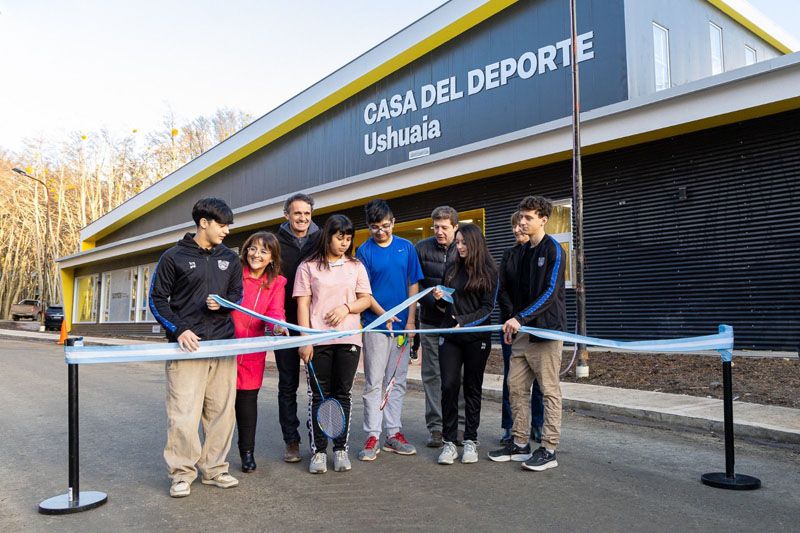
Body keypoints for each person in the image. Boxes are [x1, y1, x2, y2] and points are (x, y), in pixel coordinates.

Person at [149, 197, 244, 498]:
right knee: (183, 414)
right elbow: (157, 300)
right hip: (187, 348)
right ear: (204, 223)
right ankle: (181, 473)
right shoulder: (173, 257)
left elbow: (237, 296)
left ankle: (215, 469)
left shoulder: (231, 258)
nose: (226, 231)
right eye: (222, 224)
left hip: (222, 346)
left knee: (222, 413)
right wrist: (178, 330)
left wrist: (225, 305)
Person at [489, 196, 566, 471]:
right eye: (521, 216)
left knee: (549, 392)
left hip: (545, 332)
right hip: (520, 333)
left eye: (528, 217)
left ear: (543, 219)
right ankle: (520, 443)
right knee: (516, 388)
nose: (522, 222)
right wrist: (512, 320)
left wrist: (519, 318)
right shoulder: (519, 253)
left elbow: (550, 293)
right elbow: (510, 291)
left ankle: (549, 449)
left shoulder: (554, 249)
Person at [294, 214, 372, 474]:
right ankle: (318, 451)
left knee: (343, 395)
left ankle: (340, 449)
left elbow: (365, 300)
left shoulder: (356, 266)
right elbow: (303, 304)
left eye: (348, 238)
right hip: (317, 341)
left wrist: (346, 308)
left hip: (349, 339)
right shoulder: (308, 266)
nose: (344, 243)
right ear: (327, 236)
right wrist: (305, 340)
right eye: (340, 237)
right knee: (318, 395)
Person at [356, 199, 424, 461]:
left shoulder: (407, 248)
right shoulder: (364, 251)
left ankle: (393, 433)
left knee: (397, 380)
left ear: (394, 222)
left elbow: (412, 285)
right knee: (374, 382)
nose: (381, 231)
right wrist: (383, 315)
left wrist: (409, 321)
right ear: (369, 227)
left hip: (402, 328)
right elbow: (364, 290)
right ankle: (372, 434)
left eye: (385, 226)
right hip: (375, 325)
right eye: (375, 227)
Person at [432, 224, 498, 465]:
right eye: (457, 242)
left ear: (475, 244)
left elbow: (488, 309)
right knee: (449, 385)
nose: (459, 247)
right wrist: (439, 300)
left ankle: (470, 440)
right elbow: (445, 305)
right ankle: (449, 442)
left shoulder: (490, 272)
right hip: (449, 337)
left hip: (476, 338)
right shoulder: (450, 268)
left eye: (463, 243)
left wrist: (464, 322)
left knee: (472, 387)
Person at [231, 231, 288, 473]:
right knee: (218, 407)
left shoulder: (277, 283)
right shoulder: (233, 273)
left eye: (264, 251)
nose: (256, 254)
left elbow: (275, 313)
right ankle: (213, 456)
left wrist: (277, 326)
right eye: (253, 248)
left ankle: (247, 453)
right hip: (225, 349)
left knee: (247, 406)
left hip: (252, 352)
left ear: (272, 259)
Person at [274, 193, 320, 463]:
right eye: (297, 213)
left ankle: (318, 437)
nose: (302, 218)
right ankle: (291, 440)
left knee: (317, 384)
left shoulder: (321, 238)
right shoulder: (275, 242)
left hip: (317, 323)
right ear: (287, 216)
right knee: (288, 384)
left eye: (307, 213)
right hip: (285, 325)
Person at [415, 206, 465, 448]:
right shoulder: (422, 248)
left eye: (444, 227)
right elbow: (415, 284)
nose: (439, 232)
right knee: (432, 375)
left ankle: (460, 426)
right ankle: (436, 428)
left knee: (458, 376)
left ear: (455, 227)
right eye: (436, 227)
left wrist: (456, 309)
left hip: (458, 324)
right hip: (430, 322)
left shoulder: (466, 246)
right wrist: (431, 300)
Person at [499, 212, 544, 445]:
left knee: (538, 377)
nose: (518, 229)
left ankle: (538, 424)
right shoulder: (509, 255)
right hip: (511, 325)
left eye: (521, 224)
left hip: (536, 324)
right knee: (512, 380)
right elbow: (502, 290)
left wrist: (528, 316)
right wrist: (513, 317)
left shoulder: (541, 253)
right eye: (514, 225)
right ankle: (510, 427)